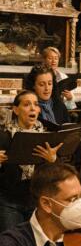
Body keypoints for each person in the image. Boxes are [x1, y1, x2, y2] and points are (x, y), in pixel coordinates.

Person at [0, 91, 61, 231]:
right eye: (27, 105)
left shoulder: (48, 134)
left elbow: (59, 173)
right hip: (9, 200)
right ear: (16, 110)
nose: (33, 108)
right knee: (12, 243)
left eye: (36, 104)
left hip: (38, 199)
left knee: (38, 242)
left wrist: (53, 160)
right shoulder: (3, 135)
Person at [39, 47, 73, 111]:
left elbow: (69, 107)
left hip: (59, 110)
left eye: (56, 58)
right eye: (50, 58)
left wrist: (69, 98)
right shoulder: (39, 76)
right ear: (44, 60)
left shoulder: (63, 77)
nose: (53, 61)